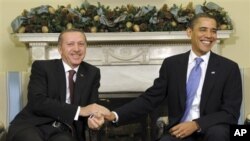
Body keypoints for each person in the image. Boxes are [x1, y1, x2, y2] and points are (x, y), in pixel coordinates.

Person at [105, 13, 242, 141]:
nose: (209, 35)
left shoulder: (229, 68)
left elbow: (230, 112)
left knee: (218, 133)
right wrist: (115, 115)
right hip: (179, 131)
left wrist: (196, 124)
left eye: (213, 31)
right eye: (203, 29)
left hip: (213, 130)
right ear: (189, 32)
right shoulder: (172, 65)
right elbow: (150, 99)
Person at [7, 29, 110, 141]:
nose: (76, 49)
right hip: (33, 125)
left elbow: (91, 107)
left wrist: (93, 119)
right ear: (60, 49)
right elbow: (37, 101)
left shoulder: (92, 73)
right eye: (70, 44)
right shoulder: (42, 67)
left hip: (64, 130)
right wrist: (80, 110)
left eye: (81, 44)